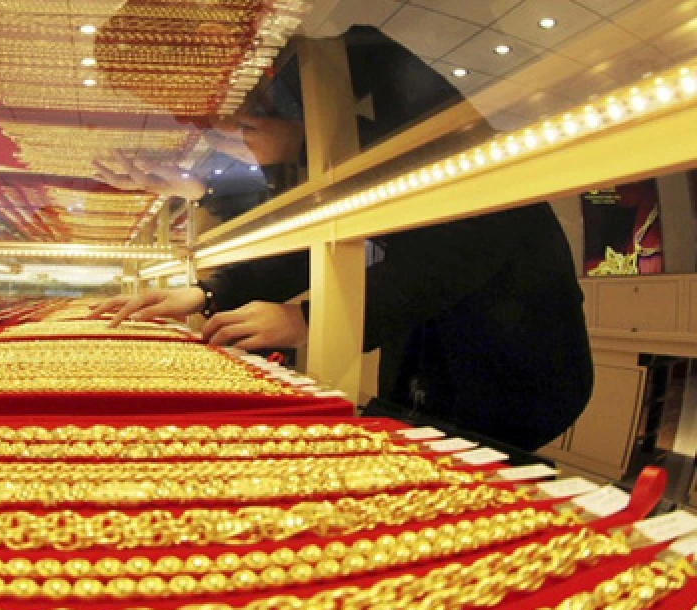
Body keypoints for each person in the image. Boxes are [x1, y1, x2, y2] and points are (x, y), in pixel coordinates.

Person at [91, 23, 593, 452]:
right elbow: (312, 229)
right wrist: (208, 292)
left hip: (509, 352)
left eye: (172, 93)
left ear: (211, 44)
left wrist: (307, 318)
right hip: (428, 344)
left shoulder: (353, 63)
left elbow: (473, 224)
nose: (187, 118)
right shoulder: (286, 93)